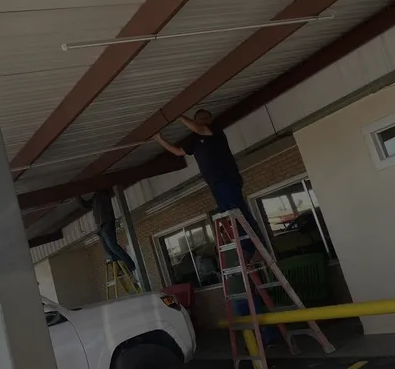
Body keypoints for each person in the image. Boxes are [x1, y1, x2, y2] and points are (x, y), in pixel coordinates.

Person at [153, 109, 264, 255]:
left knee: (237, 210)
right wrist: (159, 139)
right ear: (196, 120)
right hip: (214, 183)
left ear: (211, 119)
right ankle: (246, 248)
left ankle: (254, 247)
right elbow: (178, 152)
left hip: (227, 177)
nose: (203, 120)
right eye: (200, 118)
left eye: (206, 118)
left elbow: (200, 129)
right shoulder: (194, 140)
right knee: (229, 214)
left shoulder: (214, 130)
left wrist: (179, 116)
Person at [77, 189, 136, 272]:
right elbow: (85, 205)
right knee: (108, 251)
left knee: (113, 247)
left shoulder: (103, 193)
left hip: (106, 222)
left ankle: (130, 265)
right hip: (100, 227)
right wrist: (77, 196)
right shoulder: (95, 198)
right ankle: (120, 268)